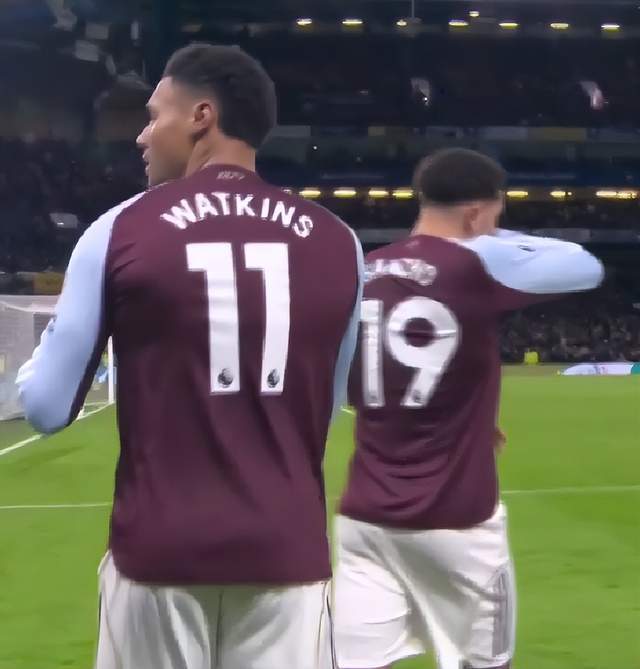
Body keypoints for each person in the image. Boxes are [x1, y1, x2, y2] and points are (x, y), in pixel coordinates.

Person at [17, 43, 363, 669]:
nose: (142, 136)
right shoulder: (339, 242)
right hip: (287, 555)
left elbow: (45, 408)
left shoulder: (120, 229)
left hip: (160, 555)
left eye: (154, 116)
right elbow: (330, 402)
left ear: (202, 116)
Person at [334, 148, 603, 669]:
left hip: (365, 519)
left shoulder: (365, 268)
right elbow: (583, 265)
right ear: (477, 212)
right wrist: (489, 238)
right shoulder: (475, 263)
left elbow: (352, 381)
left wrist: (464, 414)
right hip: (457, 520)